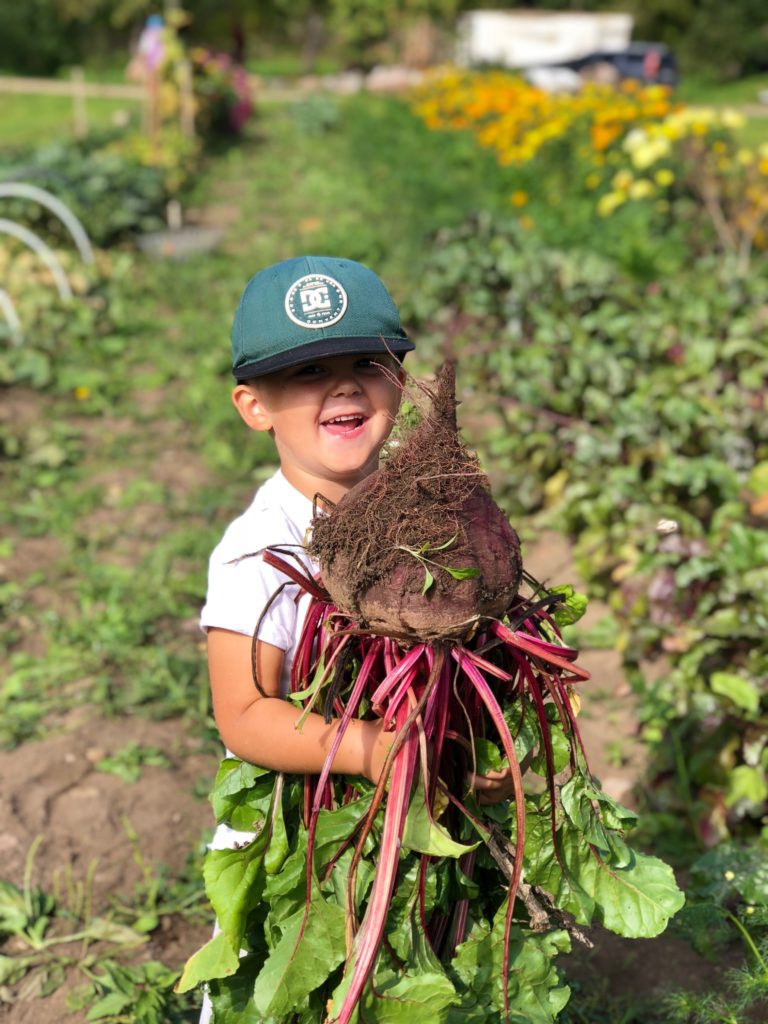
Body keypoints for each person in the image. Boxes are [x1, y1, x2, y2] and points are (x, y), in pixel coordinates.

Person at [198, 254, 516, 1020]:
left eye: (365, 364)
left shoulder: (432, 516)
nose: (342, 387)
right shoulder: (257, 551)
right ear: (254, 406)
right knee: (291, 986)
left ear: (399, 381)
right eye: (309, 373)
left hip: (423, 805)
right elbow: (243, 715)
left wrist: (472, 753)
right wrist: (372, 749)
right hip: (306, 826)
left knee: (428, 965)